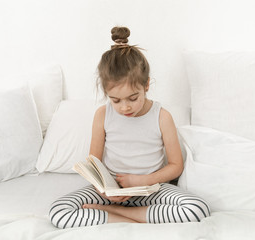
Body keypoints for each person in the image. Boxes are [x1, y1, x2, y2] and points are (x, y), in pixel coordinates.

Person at [49, 26, 210, 228]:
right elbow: (94, 165)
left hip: (151, 190)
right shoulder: (102, 115)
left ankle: (111, 214)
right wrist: (103, 190)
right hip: (112, 192)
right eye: (115, 100)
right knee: (59, 211)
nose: (125, 107)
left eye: (133, 98)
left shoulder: (162, 117)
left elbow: (176, 166)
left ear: (146, 86)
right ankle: (141, 217)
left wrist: (142, 181)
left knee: (197, 208)